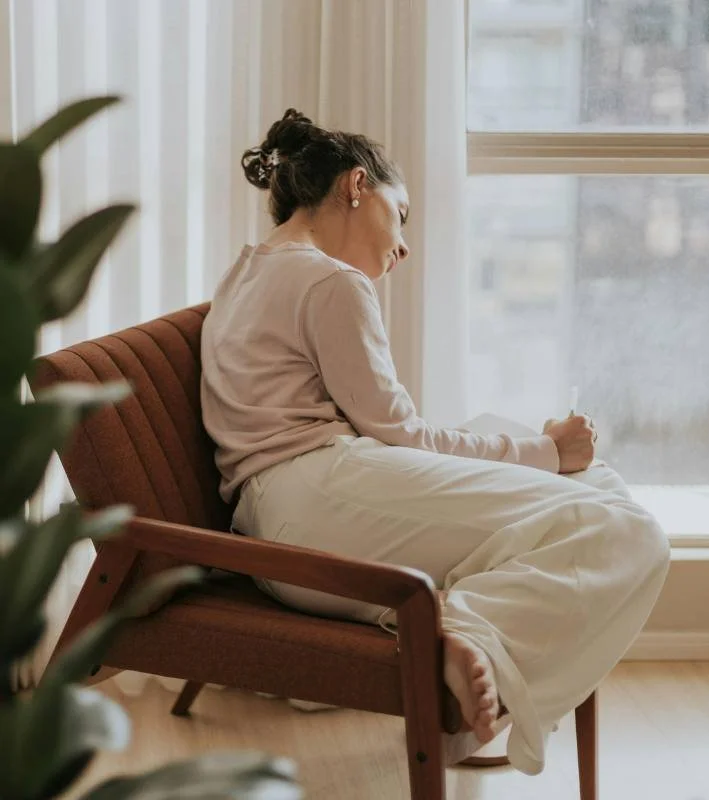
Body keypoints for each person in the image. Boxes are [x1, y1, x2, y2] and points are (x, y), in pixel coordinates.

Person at [200, 108, 670, 775]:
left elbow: (387, 431)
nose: (404, 246)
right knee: (626, 530)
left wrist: (547, 456)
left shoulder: (247, 271)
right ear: (356, 186)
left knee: (591, 488)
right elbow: (404, 434)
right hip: (317, 506)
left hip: (279, 521)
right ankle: (463, 632)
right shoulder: (330, 280)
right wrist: (545, 453)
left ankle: (459, 628)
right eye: (402, 214)